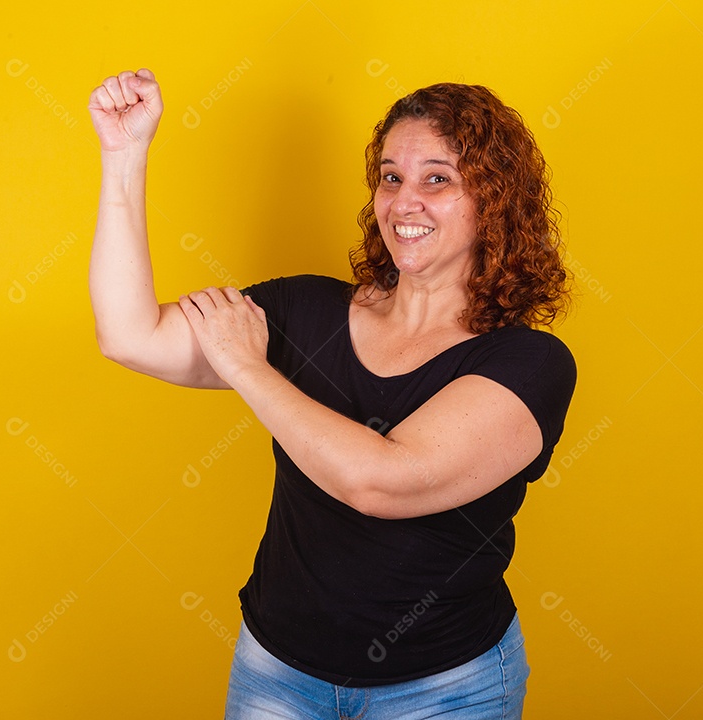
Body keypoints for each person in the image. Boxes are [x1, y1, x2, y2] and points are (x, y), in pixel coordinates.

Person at [87, 68, 577, 720]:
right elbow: (129, 334)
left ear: (495, 201)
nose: (406, 200)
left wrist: (248, 367)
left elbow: (380, 482)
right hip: (276, 674)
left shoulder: (529, 363)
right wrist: (124, 155)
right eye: (391, 176)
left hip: (446, 690)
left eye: (438, 178)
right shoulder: (303, 309)